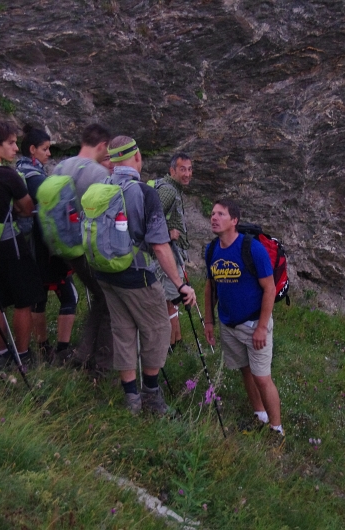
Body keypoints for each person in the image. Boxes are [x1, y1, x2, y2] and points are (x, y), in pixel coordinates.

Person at [92, 136, 196, 415]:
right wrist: (180, 284)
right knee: (158, 330)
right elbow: (160, 246)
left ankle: (131, 400)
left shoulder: (102, 186)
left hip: (104, 274)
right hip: (136, 274)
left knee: (123, 332)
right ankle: (151, 396)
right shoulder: (143, 192)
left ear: (112, 159)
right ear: (137, 156)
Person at [203, 199, 283, 436]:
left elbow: (270, 289)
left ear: (234, 221)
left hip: (253, 324)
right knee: (245, 371)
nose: (214, 218)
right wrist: (209, 321)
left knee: (261, 378)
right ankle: (259, 415)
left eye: (221, 214)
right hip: (229, 324)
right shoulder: (211, 250)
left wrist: (261, 327)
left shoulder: (252, 249)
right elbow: (210, 287)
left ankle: (276, 430)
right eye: (212, 213)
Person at [52, 123, 114, 372]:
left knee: (100, 297)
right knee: (109, 299)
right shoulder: (98, 174)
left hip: (64, 245)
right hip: (88, 247)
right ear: (101, 145)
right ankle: (101, 363)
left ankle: (82, 353)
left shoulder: (60, 167)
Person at [0, 120, 42, 369]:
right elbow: (27, 208)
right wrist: (17, 208)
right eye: (12, 143)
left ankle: (2, 352)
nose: (16, 149)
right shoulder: (7, 174)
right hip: (11, 244)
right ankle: (23, 354)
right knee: (23, 300)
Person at [16, 125, 78, 362]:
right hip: (47, 245)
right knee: (69, 296)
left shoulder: (19, 172)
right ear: (32, 150)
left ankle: (43, 347)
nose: (49, 153)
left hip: (28, 244)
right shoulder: (35, 177)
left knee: (39, 297)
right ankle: (62, 350)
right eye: (45, 149)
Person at [152, 152, 193, 348]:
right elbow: (150, 221)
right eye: (182, 169)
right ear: (172, 170)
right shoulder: (168, 191)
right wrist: (168, 235)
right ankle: (169, 346)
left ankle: (176, 341)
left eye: (189, 169)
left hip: (173, 253)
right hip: (167, 253)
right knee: (171, 299)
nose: (187, 174)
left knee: (173, 300)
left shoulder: (174, 189)